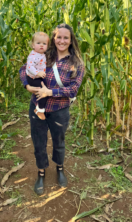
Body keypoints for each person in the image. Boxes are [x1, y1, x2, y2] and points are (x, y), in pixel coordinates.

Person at [19, 24, 85, 195]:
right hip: (37, 107)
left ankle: (60, 168)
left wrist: (50, 92)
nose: (62, 41)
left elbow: (73, 90)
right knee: (39, 142)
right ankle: (41, 172)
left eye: (66, 38)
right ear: (53, 38)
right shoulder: (43, 54)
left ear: (71, 41)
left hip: (59, 109)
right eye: (58, 37)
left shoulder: (76, 63)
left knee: (59, 142)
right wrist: (27, 85)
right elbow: (24, 69)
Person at [26, 32, 49, 120]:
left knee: (45, 88)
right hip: (33, 77)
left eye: (44, 43)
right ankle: (40, 110)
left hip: (37, 76)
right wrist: (37, 73)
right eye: (38, 43)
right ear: (33, 45)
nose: (41, 45)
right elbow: (29, 67)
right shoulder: (33, 56)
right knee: (43, 92)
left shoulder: (42, 54)